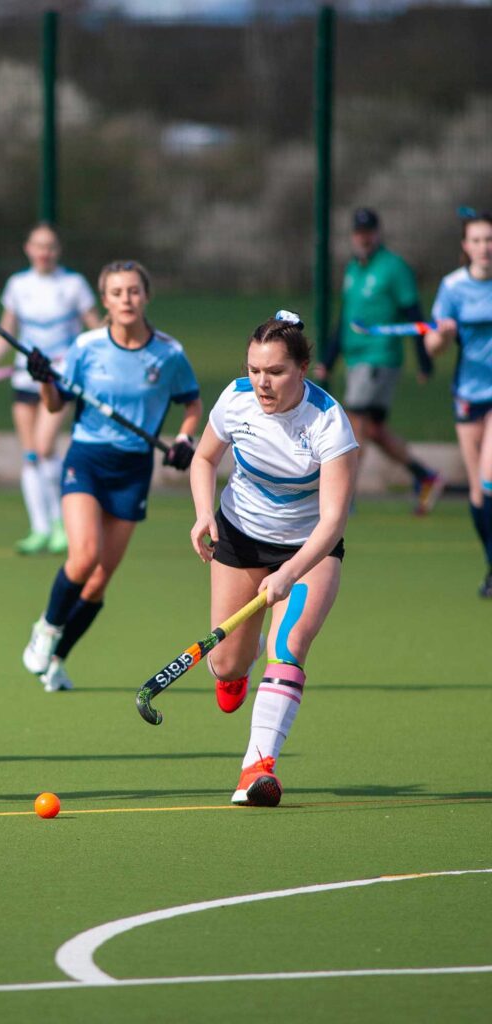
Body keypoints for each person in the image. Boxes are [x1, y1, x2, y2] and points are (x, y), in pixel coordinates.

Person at [189, 311, 359, 807]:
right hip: (239, 537)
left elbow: (333, 521)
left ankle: (257, 770)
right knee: (227, 662)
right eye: (255, 369)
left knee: (290, 643)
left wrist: (288, 572)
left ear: (303, 369)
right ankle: (238, 664)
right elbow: (204, 459)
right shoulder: (236, 398)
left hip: (308, 550)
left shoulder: (329, 423)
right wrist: (204, 515)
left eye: (275, 372)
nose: (262, 382)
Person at [21, 260, 202, 692]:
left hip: (134, 468)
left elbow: (191, 404)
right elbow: (53, 405)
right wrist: (45, 380)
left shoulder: (168, 353)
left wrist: (184, 440)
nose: (126, 299)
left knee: (100, 579)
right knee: (83, 557)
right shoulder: (86, 347)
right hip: (87, 460)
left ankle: (57, 661)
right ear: (105, 300)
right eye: (117, 292)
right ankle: (46, 630)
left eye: (134, 291)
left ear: (146, 296)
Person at [0, 223, 101, 555]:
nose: (44, 252)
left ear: (58, 250)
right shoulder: (18, 285)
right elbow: (5, 334)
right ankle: (40, 527)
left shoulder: (73, 285)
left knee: (45, 444)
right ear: (28, 248)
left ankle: (62, 522)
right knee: (32, 453)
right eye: (39, 246)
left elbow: (96, 330)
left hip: (60, 378)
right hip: (24, 377)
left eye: (50, 246)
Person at [315, 207, 441, 514]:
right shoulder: (353, 270)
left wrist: (423, 359)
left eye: (369, 232)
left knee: (354, 422)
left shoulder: (393, 268)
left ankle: (344, 496)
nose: (364, 238)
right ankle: (425, 476)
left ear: (377, 233)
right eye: (359, 233)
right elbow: (346, 317)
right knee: (372, 430)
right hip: (356, 359)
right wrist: (330, 359)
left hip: (379, 356)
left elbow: (414, 315)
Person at [425, 210, 492, 598]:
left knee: (489, 474)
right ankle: (490, 564)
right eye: (478, 241)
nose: (485, 247)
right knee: (479, 492)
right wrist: (444, 334)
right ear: (466, 246)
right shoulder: (452, 287)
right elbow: (433, 347)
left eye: (490, 240)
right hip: (468, 393)